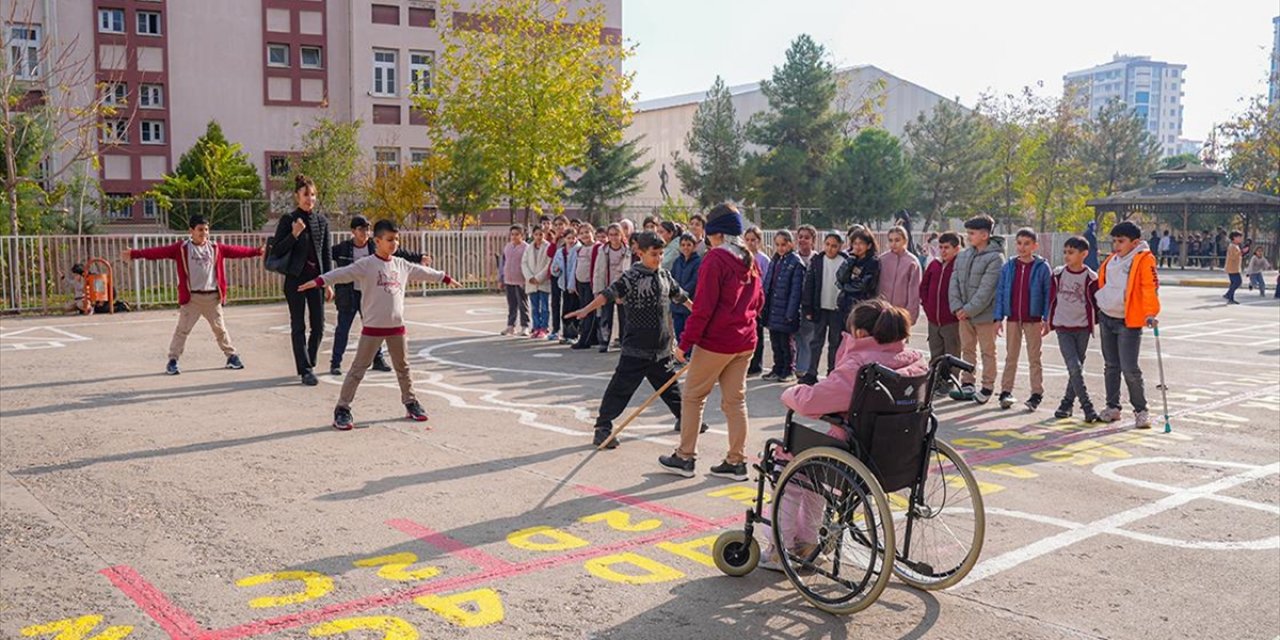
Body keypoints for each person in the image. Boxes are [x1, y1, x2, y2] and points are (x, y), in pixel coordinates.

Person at [764, 299, 927, 570]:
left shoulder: (862, 366)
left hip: (855, 452)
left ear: (860, 334)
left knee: (790, 466)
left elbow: (812, 403)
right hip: (901, 454)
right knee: (815, 469)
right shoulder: (916, 360)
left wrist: (792, 392)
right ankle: (808, 540)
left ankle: (782, 547)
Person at [300, 220, 460, 430]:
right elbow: (342, 273)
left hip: (397, 328)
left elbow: (423, 272)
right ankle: (342, 409)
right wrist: (320, 281)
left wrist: (445, 278)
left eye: (396, 239)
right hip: (373, 329)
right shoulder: (366, 265)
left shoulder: (401, 264)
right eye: (390, 240)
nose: (394, 243)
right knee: (358, 369)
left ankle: (410, 402)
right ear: (377, 241)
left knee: (403, 368)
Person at [567, 232, 705, 448]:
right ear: (640, 253)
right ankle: (603, 428)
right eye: (653, 254)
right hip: (636, 348)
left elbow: (682, 297)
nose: (658, 258)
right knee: (620, 389)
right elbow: (608, 294)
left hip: (661, 347)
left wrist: (699, 315)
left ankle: (685, 419)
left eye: (660, 254)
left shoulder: (664, 276)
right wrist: (586, 309)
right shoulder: (631, 277)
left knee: (671, 388)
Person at [659, 203, 764, 481]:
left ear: (715, 232)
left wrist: (684, 344)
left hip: (717, 341)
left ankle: (685, 457)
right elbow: (760, 301)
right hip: (744, 340)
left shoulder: (715, 259)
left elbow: (703, 308)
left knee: (693, 397)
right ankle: (736, 461)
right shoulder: (748, 258)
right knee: (735, 401)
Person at [123, 214, 263, 375]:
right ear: (191, 231)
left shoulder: (215, 248)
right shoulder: (181, 249)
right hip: (192, 299)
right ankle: (173, 360)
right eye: (200, 229)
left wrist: (257, 251)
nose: (204, 233)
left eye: (206, 229)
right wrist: (135, 254)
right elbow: (158, 252)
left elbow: (238, 251)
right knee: (182, 330)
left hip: (212, 297)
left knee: (220, 329)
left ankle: (231, 356)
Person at [329, 215, 432, 376]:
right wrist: (325, 282)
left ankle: (378, 360)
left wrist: (419, 257)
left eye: (368, 229)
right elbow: (325, 257)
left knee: (374, 328)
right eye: (361, 229)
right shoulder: (342, 248)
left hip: (370, 295)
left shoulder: (374, 245)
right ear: (353, 231)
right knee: (343, 328)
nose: (365, 232)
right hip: (348, 295)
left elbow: (400, 253)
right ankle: (335, 363)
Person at [1095, 220, 1160, 428]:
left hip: (1128, 320)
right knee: (1111, 365)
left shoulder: (1143, 260)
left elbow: (1149, 287)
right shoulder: (1112, 260)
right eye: (1114, 241)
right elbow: (1103, 283)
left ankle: (1141, 410)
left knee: (1129, 367)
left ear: (1135, 242)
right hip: (1107, 316)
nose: (1116, 245)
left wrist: (1150, 313)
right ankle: (1113, 407)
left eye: (1121, 241)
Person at [270, 174, 333, 386]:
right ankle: (305, 370)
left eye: (313, 195)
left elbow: (325, 255)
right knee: (298, 326)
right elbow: (277, 249)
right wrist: (294, 234)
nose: (310, 199)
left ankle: (310, 361)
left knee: (319, 326)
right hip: (295, 281)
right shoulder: (288, 220)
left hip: (316, 281)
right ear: (297, 196)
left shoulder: (322, 221)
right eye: (306, 194)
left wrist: (327, 281)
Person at [948, 214, 1005, 405]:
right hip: (963, 315)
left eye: (972, 233)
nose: (968, 236)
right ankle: (967, 384)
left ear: (984, 235)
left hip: (984, 315)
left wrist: (969, 310)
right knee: (967, 350)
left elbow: (987, 290)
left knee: (988, 352)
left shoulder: (996, 258)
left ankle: (987, 387)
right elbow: (954, 281)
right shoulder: (963, 255)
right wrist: (957, 308)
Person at [993, 228, 1052, 411]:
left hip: (1033, 319)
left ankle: (1036, 393)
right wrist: (998, 318)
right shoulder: (1009, 267)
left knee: (1034, 357)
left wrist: (1046, 318)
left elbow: (1048, 294)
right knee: (1011, 356)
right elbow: (1001, 291)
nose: (1022, 247)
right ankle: (1005, 391)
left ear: (1035, 246)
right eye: (1019, 243)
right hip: (1012, 319)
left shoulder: (1042, 267)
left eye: (1027, 243)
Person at [1048, 236, 1100, 422]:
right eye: (1065, 252)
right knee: (1074, 366)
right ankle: (1087, 406)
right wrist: (1046, 321)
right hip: (1063, 327)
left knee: (1076, 369)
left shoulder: (1091, 278)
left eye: (1071, 252)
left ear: (1084, 254)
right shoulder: (1058, 274)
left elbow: (1097, 302)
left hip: (1083, 328)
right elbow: (1050, 299)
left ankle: (1067, 403)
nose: (1067, 256)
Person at [799, 232, 849, 385]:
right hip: (819, 308)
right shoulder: (817, 260)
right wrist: (807, 308)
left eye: (834, 246)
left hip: (837, 310)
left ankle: (832, 372)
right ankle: (811, 372)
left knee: (835, 342)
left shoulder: (846, 262)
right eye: (827, 244)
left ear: (841, 246)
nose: (830, 248)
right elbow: (809, 285)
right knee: (816, 341)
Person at [919, 231, 961, 396]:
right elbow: (924, 287)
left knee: (952, 352)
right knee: (936, 351)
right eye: (941, 247)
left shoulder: (959, 266)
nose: (943, 251)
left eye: (947, 247)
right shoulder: (934, 265)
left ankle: (950, 380)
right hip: (933, 319)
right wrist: (927, 306)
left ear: (957, 249)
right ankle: (935, 379)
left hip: (951, 319)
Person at [762, 230, 805, 383]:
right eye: (778, 244)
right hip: (774, 308)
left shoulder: (795, 263)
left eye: (784, 244)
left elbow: (796, 291)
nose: (780, 248)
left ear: (790, 244)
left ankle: (788, 370)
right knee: (775, 342)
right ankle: (777, 368)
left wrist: (791, 312)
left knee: (786, 343)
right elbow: (768, 284)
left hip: (786, 309)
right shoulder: (775, 260)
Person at [593, 223, 630, 353]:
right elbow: (598, 271)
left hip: (621, 288)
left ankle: (623, 341)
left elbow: (629, 271)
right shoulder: (603, 250)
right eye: (611, 235)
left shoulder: (627, 251)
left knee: (624, 317)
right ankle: (604, 341)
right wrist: (598, 289)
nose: (614, 237)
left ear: (621, 235)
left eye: (616, 234)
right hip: (607, 287)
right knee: (605, 316)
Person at [877, 226, 921, 325]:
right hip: (882, 312)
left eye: (897, 240)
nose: (893, 244)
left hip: (901, 312)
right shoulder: (882, 260)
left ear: (905, 241)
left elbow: (914, 292)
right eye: (890, 240)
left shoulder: (912, 262)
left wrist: (910, 315)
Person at [836, 227, 880, 321]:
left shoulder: (873, 262)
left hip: (862, 305)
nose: (857, 247)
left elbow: (864, 285)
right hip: (845, 305)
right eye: (855, 243)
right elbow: (840, 277)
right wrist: (850, 260)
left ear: (868, 246)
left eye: (861, 243)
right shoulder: (851, 259)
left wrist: (845, 287)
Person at [793, 224, 819, 378]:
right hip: (794, 304)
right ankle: (795, 366)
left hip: (809, 305)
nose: (803, 240)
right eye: (800, 237)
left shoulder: (816, 259)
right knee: (796, 337)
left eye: (806, 237)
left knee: (808, 338)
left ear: (813, 241)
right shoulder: (793, 258)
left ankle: (804, 369)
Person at [744, 226, 771, 376]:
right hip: (745, 302)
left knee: (757, 335)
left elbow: (765, 282)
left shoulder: (763, 259)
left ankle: (756, 365)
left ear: (759, 241)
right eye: (747, 240)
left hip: (757, 302)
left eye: (753, 240)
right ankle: (746, 364)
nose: (750, 243)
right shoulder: (742, 257)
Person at [570, 224, 601, 350]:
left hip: (590, 283)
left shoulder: (597, 247)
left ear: (593, 232)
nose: (585, 235)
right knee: (583, 309)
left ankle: (585, 339)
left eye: (587, 232)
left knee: (589, 311)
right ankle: (592, 337)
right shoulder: (580, 249)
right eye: (582, 233)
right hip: (581, 283)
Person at [550, 225, 583, 344]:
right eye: (569, 238)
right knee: (566, 310)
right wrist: (556, 269)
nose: (571, 240)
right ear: (564, 239)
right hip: (564, 284)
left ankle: (574, 334)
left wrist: (572, 285)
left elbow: (576, 268)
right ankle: (566, 333)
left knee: (575, 309)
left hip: (575, 285)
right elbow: (553, 268)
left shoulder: (579, 250)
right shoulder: (560, 251)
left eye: (573, 238)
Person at [522, 227, 554, 338]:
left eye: (541, 234)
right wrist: (530, 277)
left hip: (543, 282)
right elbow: (524, 263)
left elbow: (549, 264)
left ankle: (544, 328)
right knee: (534, 307)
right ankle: (536, 327)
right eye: (536, 234)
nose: (538, 237)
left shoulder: (548, 246)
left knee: (544, 307)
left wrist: (539, 277)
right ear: (533, 235)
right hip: (531, 283)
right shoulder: (529, 248)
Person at [670, 233, 701, 343]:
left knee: (689, 332)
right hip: (676, 305)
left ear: (694, 246)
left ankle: (688, 356)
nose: (685, 247)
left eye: (688, 245)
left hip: (689, 303)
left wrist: (682, 294)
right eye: (683, 245)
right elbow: (671, 278)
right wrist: (673, 293)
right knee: (678, 331)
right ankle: (680, 357)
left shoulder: (698, 262)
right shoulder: (677, 261)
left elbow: (695, 281)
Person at [500, 225, 531, 336]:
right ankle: (511, 326)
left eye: (517, 234)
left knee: (523, 304)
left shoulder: (526, 248)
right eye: (512, 234)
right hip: (509, 279)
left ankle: (525, 326)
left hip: (521, 280)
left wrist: (527, 279)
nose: (514, 236)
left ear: (522, 235)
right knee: (511, 304)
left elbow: (529, 264)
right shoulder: (507, 247)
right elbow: (503, 263)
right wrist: (501, 278)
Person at [547, 215, 571, 341]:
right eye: (556, 225)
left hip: (567, 274)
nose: (558, 227)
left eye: (561, 224)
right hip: (555, 274)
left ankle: (568, 330)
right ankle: (555, 329)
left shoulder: (570, 238)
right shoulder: (553, 239)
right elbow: (549, 253)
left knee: (567, 303)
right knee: (555, 302)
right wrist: (554, 240)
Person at [1224, 231, 1244, 305]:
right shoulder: (1232, 246)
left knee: (1233, 283)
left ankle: (1231, 298)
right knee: (1238, 282)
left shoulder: (1235, 246)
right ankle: (1228, 294)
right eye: (1239, 237)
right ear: (1234, 238)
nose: (1240, 239)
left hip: (1234, 267)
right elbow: (1232, 257)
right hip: (1232, 268)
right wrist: (1240, 252)